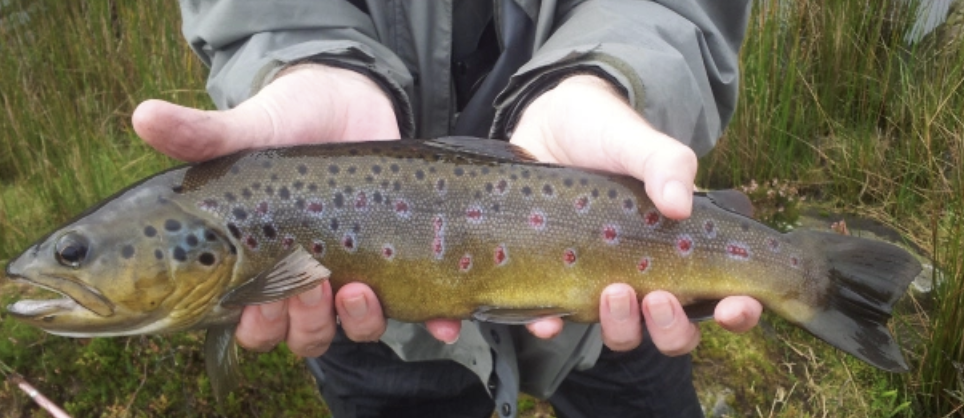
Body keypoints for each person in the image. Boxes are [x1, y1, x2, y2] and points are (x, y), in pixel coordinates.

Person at [132, 1, 761, 416]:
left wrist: (609, 78)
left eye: (82, 255)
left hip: (607, 296)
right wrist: (308, 64)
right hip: (378, 332)